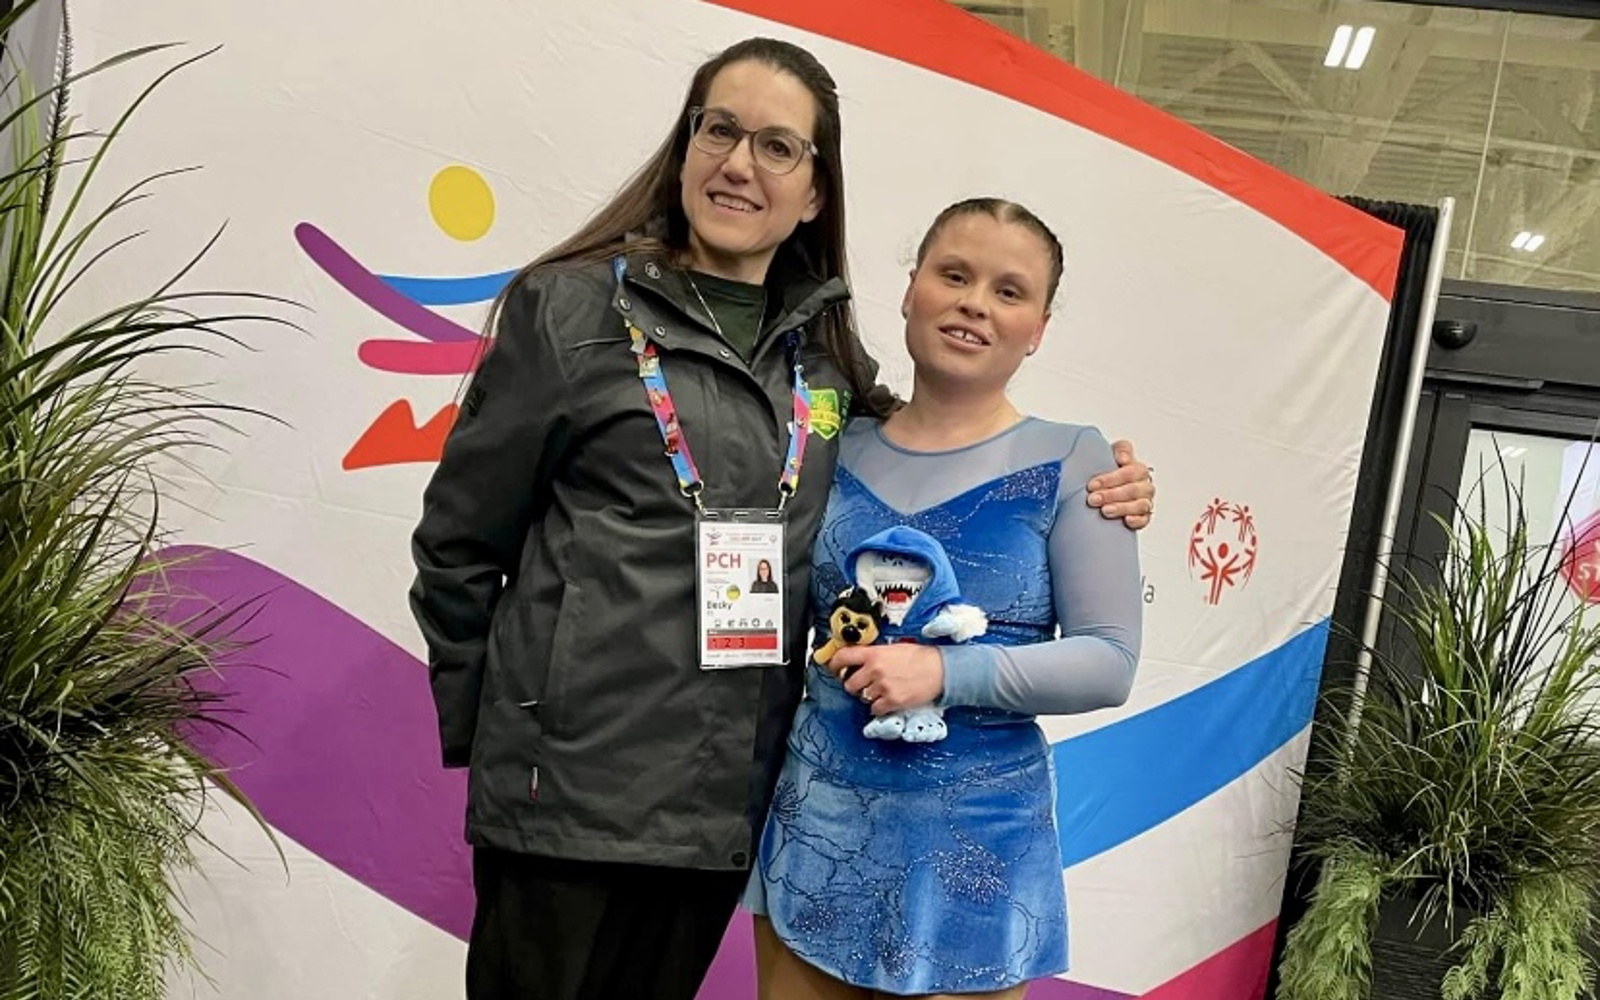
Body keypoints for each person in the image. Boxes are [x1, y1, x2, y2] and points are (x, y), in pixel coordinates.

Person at [407, 39, 1155, 1000]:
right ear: (685, 148)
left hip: (721, 811)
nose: (741, 164)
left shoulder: (827, 371)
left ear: (813, 193)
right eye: (720, 129)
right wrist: (511, 741)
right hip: (569, 803)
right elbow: (459, 547)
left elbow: (947, 446)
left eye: (779, 146)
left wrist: (1113, 485)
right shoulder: (570, 313)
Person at [747, 198, 1143, 1000]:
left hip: (978, 863)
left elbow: (1110, 660)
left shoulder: (1077, 459)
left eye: (1009, 290)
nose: (974, 303)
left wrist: (945, 674)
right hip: (813, 839)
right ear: (909, 290)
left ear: (1037, 328)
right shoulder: (830, 441)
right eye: (953, 274)